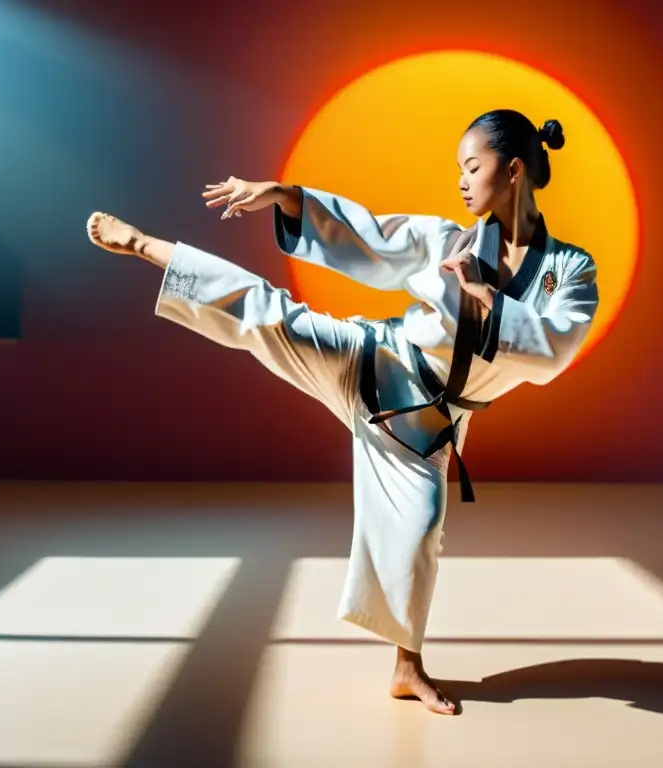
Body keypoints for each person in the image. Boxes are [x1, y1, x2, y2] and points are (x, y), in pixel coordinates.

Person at [86, 109, 599, 715]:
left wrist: (488, 300)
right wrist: (284, 196)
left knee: (420, 531)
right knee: (269, 315)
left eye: (472, 167)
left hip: (424, 426)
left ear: (512, 170)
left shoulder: (570, 269)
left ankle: (407, 670)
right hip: (375, 360)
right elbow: (374, 237)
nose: (461, 182)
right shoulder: (449, 242)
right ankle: (150, 247)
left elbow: (555, 350)